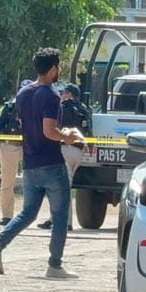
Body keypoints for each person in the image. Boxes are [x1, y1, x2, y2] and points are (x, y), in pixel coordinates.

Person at [0, 47, 83, 279]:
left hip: (29, 163)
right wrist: (69, 137)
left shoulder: (23, 94)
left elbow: (27, 124)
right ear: (51, 70)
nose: (59, 71)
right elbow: (49, 131)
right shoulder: (50, 95)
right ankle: (55, 265)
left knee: (28, 212)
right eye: (57, 67)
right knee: (60, 215)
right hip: (51, 163)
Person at [37, 83, 88, 230]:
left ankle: (67, 222)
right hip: (78, 151)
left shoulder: (61, 107)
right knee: (63, 185)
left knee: (63, 187)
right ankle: (53, 218)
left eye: (64, 92)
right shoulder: (84, 109)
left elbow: (53, 128)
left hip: (64, 149)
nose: (62, 95)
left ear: (70, 94)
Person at [0, 79, 33, 226]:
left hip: (29, 146)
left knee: (32, 183)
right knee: (7, 182)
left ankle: (28, 215)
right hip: (10, 146)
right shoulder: (9, 107)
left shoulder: (37, 106)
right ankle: (7, 216)